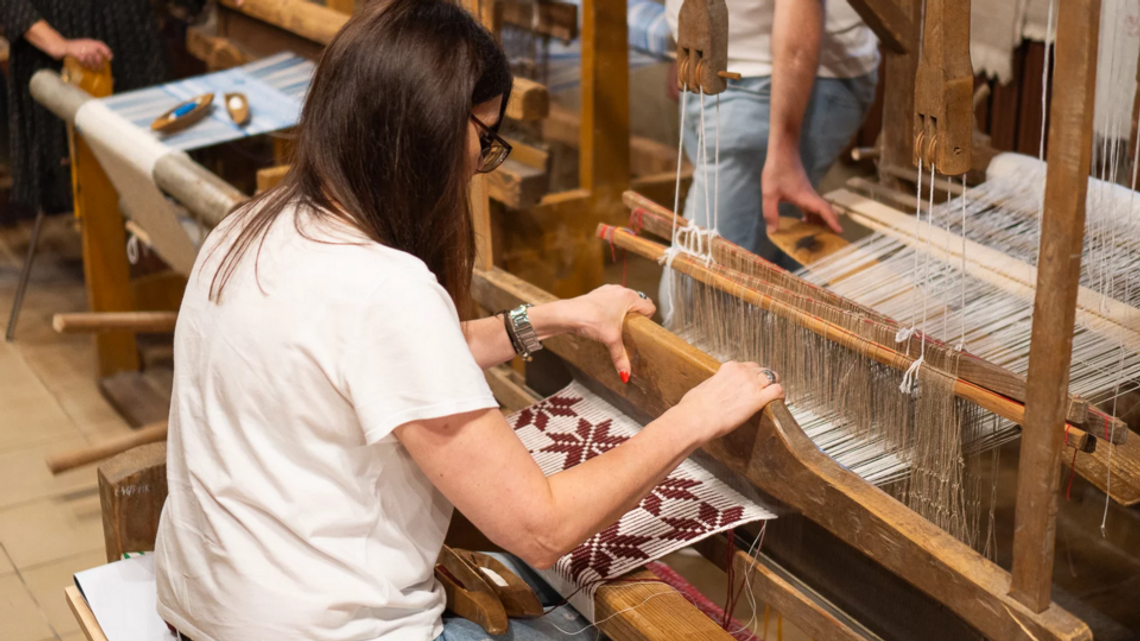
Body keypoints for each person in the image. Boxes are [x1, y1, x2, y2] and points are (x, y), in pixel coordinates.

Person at [153, 1, 785, 640]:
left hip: (208, 612)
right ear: (426, 131)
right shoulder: (383, 288)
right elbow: (542, 528)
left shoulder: (250, 225)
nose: (478, 164)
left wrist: (549, 319)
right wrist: (695, 417)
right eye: (484, 138)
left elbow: (372, 363)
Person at [665, 0, 880, 264]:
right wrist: (686, 41)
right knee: (757, 259)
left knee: (692, 289)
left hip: (779, 77)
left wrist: (784, 150)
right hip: (708, 63)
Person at [0, 0, 185, 221]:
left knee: (152, 161)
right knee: (93, 185)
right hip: (61, 49)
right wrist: (57, 44)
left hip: (132, 42)